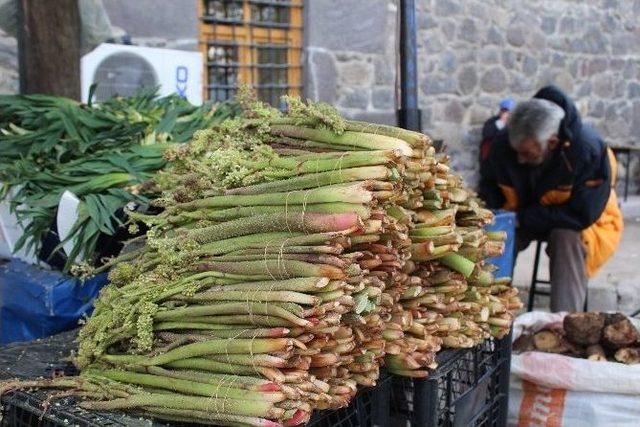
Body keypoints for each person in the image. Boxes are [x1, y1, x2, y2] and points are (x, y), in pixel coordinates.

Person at [478, 85, 623, 312]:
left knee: (565, 239)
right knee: (498, 234)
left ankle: (565, 323)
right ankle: (490, 314)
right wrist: (499, 219)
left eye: (527, 154)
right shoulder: (503, 144)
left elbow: (582, 214)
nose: (520, 160)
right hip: (521, 214)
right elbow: (488, 189)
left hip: (577, 221)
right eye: (516, 152)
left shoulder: (587, 150)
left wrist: (524, 219)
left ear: (552, 143)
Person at [479, 98, 515, 165]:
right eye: (505, 111)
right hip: (492, 160)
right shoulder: (492, 122)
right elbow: (486, 134)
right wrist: (501, 122)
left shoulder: (515, 123)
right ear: (500, 111)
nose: (508, 114)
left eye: (510, 112)